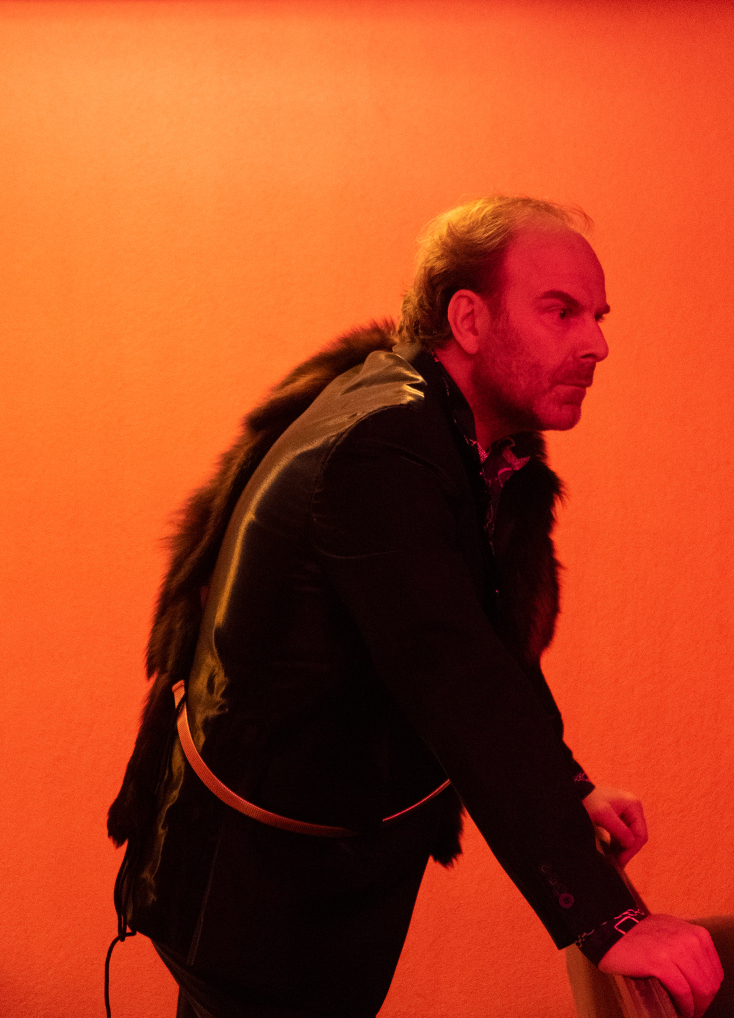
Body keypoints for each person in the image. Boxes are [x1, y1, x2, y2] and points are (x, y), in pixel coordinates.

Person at [108, 196, 723, 1018]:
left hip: (313, 880)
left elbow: (485, 643)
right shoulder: (383, 450)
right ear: (468, 319)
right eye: (561, 311)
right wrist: (611, 921)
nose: (597, 343)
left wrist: (567, 787)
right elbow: (457, 681)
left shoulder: (461, 438)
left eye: (597, 317)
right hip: (263, 904)